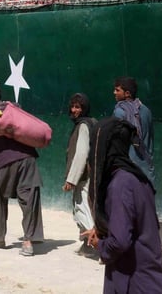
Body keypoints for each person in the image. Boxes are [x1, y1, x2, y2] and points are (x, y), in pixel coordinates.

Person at [85, 118, 162, 293]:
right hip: (150, 279)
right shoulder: (137, 178)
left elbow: (120, 242)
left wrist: (99, 244)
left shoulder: (120, 185)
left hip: (134, 282)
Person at [0, 80, 43, 257]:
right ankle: (28, 242)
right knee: (28, 200)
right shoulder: (15, 107)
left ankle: (0, 237)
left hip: (4, 161)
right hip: (27, 158)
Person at [64, 93, 98, 254]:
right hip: (93, 174)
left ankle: (100, 246)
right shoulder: (93, 122)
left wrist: (72, 179)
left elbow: (81, 153)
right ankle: (87, 245)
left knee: (82, 209)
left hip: (84, 177)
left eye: (78, 107)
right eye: (73, 106)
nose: (74, 110)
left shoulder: (84, 126)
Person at [112, 77, 155, 185]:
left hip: (127, 170)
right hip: (146, 170)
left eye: (117, 90)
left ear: (127, 93)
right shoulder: (146, 111)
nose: (114, 93)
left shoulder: (120, 112)